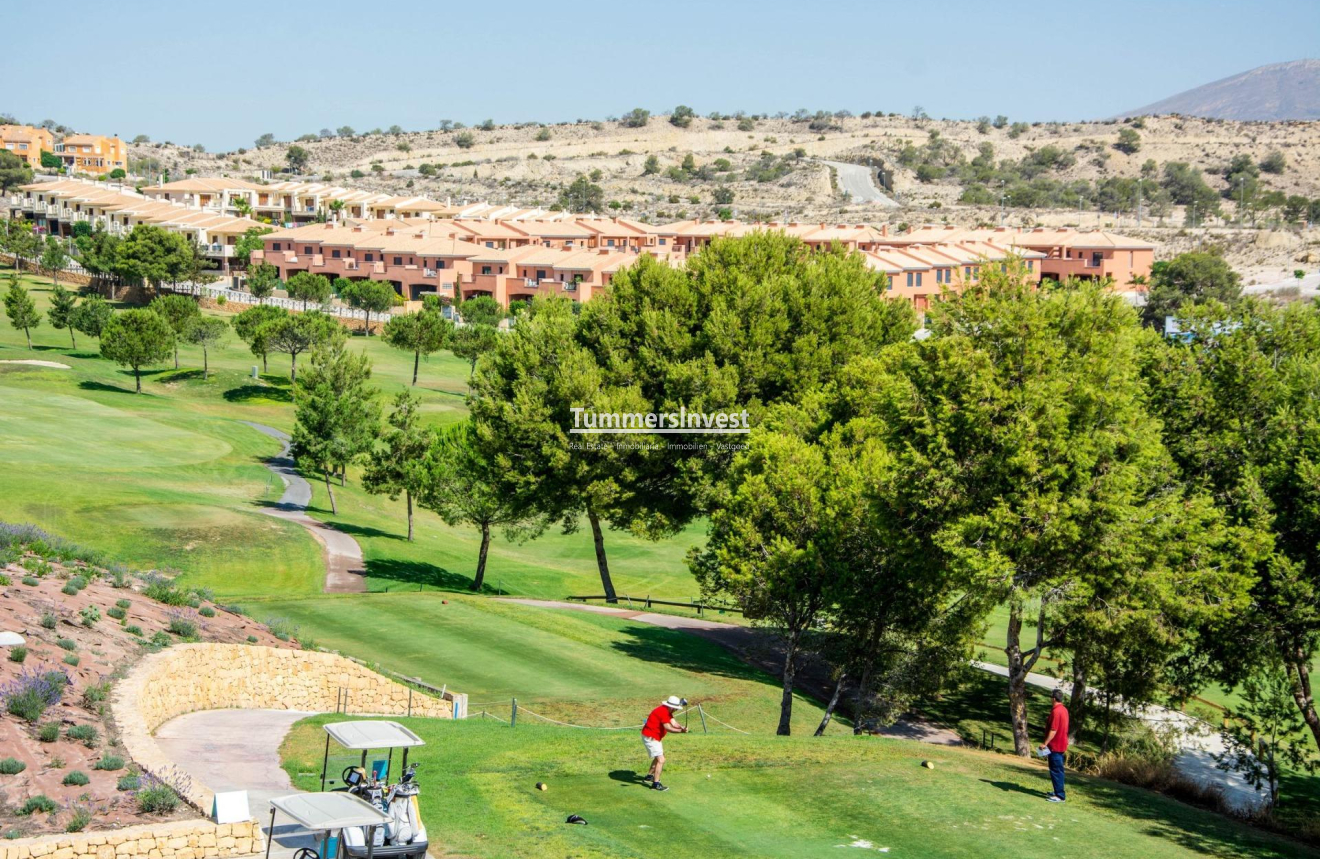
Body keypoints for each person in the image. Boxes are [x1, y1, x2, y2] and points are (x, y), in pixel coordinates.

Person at [641, 695, 688, 791]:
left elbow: (674, 723)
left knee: (659, 757)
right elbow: (668, 728)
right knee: (661, 760)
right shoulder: (663, 712)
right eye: (675, 708)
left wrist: (681, 727)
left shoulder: (667, 711)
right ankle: (656, 784)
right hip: (651, 737)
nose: (676, 710)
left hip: (655, 737)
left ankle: (649, 777)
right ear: (671, 706)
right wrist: (681, 732)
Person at [1040, 687, 1070, 802]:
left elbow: (1053, 730)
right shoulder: (1064, 709)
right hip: (1061, 744)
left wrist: (1045, 743)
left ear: (1053, 698)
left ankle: (1060, 796)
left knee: (1056, 770)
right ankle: (1057, 791)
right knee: (1057, 769)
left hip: (1055, 745)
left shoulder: (1056, 711)